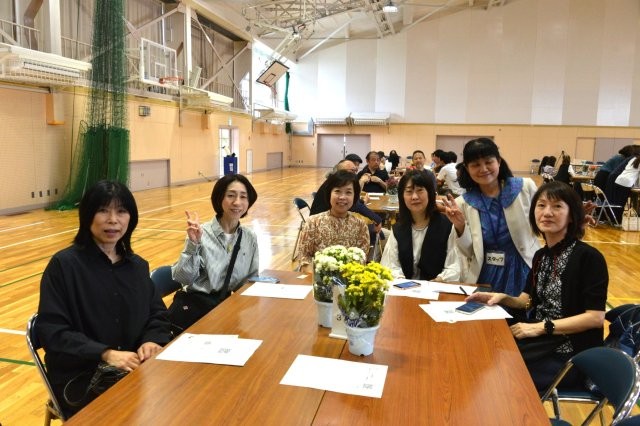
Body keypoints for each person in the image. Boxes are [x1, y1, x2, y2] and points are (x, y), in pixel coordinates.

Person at [36, 180, 172, 418]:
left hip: (133, 368)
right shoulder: (64, 266)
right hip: (82, 376)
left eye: (121, 211)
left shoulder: (137, 266)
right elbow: (52, 331)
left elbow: (157, 313)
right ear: (87, 216)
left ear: (131, 218)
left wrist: (151, 340)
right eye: (103, 211)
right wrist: (106, 353)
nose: (113, 220)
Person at [465, 181, 608, 391]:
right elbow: (527, 300)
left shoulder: (589, 257)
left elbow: (595, 318)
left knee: (494, 374)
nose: (547, 212)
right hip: (541, 341)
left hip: (571, 355)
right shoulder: (541, 255)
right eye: (541, 205)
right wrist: (503, 297)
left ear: (571, 215)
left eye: (557, 206)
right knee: (480, 352)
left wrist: (541, 327)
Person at [443, 138, 540, 296]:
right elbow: (468, 253)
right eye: (475, 165)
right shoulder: (463, 203)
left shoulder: (524, 188)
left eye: (488, 162)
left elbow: (543, 225)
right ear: (467, 168)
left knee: (524, 309)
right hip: (485, 274)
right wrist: (460, 227)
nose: (483, 169)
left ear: (499, 161)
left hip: (524, 268)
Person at [171, 174, 259, 328]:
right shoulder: (201, 234)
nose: (237, 202)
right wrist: (193, 244)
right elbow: (183, 278)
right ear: (219, 198)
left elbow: (250, 281)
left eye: (243, 197)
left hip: (229, 310)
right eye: (231, 195)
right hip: (198, 311)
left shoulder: (249, 237)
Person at [381, 170, 460, 281]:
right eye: (409, 191)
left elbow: (455, 265)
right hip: (404, 288)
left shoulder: (446, 225)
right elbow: (390, 265)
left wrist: (440, 280)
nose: (414, 197)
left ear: (430, 193)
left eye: (420, 190)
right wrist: (402, 282)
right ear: (402, 196)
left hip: (438, 287)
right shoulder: (399, 228)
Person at [297, 170, 370, 273]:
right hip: (317, 278)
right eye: (337, 191)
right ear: (329, 194)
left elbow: (361, 259)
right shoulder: (313, 222)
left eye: (348, 192)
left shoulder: (360, 226)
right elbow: (304, 257)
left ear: (355, 196)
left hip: (348, 278)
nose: (342, 197)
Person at [310, 159, 383, 241]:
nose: (355, 174)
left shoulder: (333, 181)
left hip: (337, 220)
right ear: (341, 172)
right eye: (352, 170)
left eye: (355, 170)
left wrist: (362, 201)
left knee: (376, 231)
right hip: (324, 225)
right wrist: (377, 219)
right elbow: (355, 206)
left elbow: (354, 202)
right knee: (378, 233)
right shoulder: (332, 184)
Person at [609, 154, 640, 223]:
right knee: (621, 204)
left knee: (616, 203)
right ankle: (617, 222)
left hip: (618, 180)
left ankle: (613, 221)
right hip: (626, 183)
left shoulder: (634, 159)